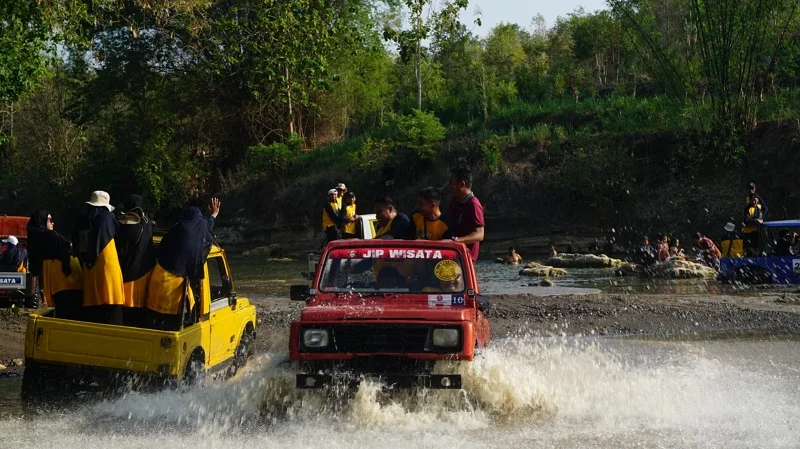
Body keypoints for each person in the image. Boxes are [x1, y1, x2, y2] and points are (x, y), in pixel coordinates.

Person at [146, 198, 220, 331]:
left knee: (154, 318)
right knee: (181, 319)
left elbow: (159, 251)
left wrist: (212, 216)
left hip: (156, 278)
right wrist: (213, 215)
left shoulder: (175, 231)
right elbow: (205, 231)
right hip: (177, 285)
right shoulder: (200, 241)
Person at [74, 191, 125, 324]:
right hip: (107, 264)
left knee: (93, 303)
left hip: (89, 267)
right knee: (110, 301)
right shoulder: (108, 217)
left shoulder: (82, 219)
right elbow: (120, 237)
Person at [26, 210, 83, 318]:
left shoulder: (34, 238)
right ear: (42, 221)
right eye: (50, 220)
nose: (53, 223)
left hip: (55, 284)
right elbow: (67, 245)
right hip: (67, 281)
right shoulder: (49, 235)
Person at [116, 194, 156, 327]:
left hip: (128, 279)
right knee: (139, 317)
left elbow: (121, 251)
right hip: (145, 277)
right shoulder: (148, 224)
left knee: (127, 316)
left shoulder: (129, 228)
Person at [448, 165, 485, 261]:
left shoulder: (473, 204)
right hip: (452, 257)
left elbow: (480, 235)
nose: (450, 187)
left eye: (452, 184)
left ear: (462, 184)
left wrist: (456, 241)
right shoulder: (455, 202)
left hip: (465, 260)